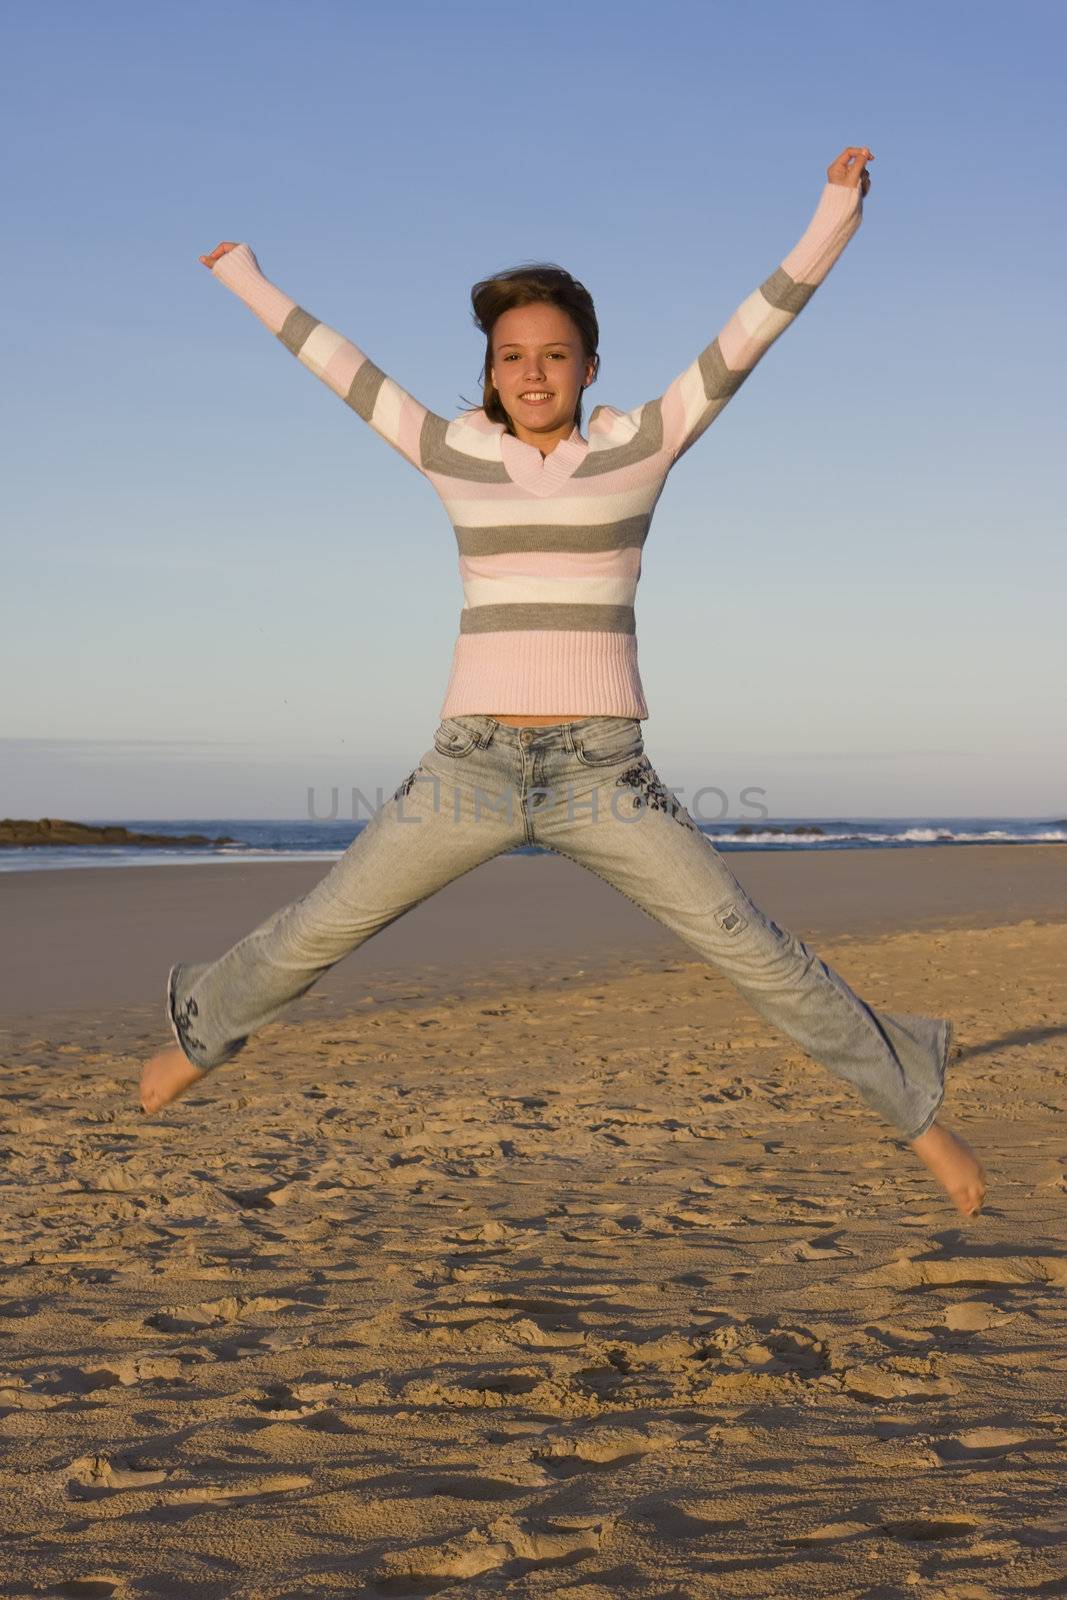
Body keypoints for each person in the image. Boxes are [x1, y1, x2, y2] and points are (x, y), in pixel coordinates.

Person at [140, 147, 986, 1219]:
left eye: (553, 354)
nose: (531, 373)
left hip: (601, 770)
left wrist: (832, 212)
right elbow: (344, 371)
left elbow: (753, 329)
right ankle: (200, 1034)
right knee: (322, 923)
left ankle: (918, 1114)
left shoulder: (642, 444)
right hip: (472, 766)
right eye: (509, 357)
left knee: (752, 950)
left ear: (589, 366)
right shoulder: (450, 452)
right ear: (488, 370)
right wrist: (244, 276)